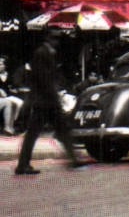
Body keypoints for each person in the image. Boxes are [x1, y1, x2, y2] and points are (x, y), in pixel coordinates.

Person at [16, 31, 83, 174]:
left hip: (46, 101)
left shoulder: (48, 53)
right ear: (48, 39)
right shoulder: (42, 53)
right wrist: (55, 97)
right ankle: (23, 165)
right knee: (37, 133)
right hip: (45, 102)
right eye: (55, 39)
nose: (57, 42)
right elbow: (44, 79)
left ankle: (73, 159)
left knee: (58, 131)